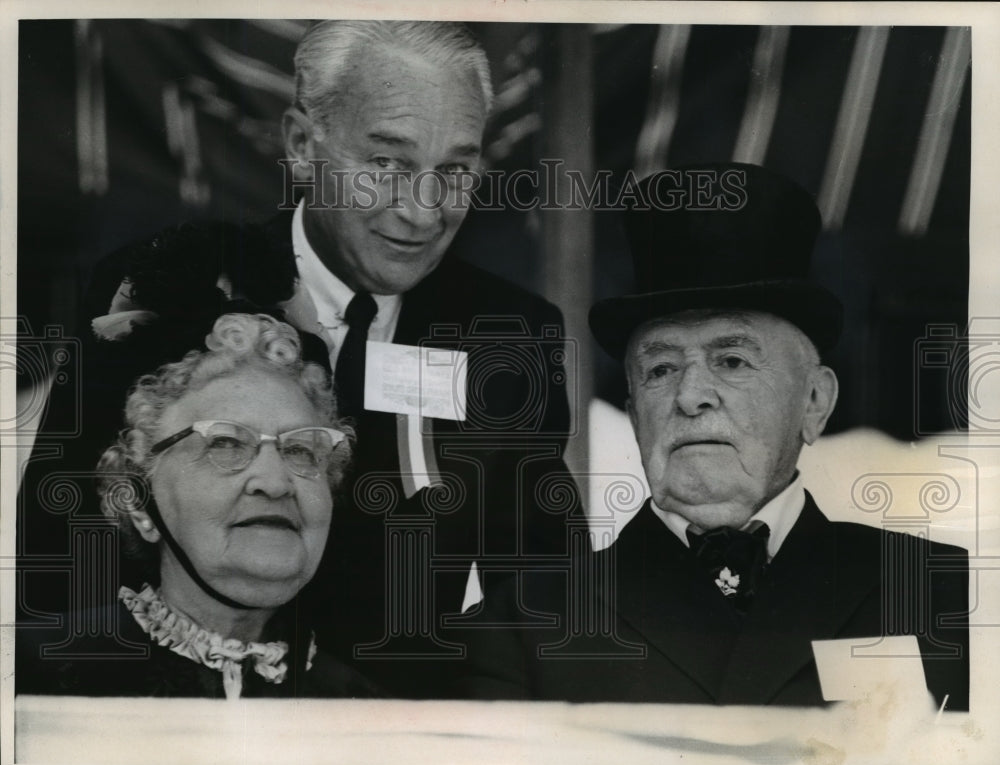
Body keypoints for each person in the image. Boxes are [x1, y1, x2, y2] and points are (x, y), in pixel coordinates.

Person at [17, 20, 578, 698]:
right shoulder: (170, 282)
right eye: (388, 164)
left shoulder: (508, 335)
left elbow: (539, 593)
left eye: (454, 170)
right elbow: (56, 550)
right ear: (303, 145)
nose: (423, 212)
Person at [460, 163, 970, 709]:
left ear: (814, 403)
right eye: (661, 369)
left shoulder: (947, 593)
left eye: (732, 359)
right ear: (635, 417)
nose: (690, 395)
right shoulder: (519, 625)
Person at [16, 313, 380, 699]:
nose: (275, 483)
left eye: (301, 449)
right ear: (138, 502)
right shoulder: (30, 676)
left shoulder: (367, 710)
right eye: (225, 443)